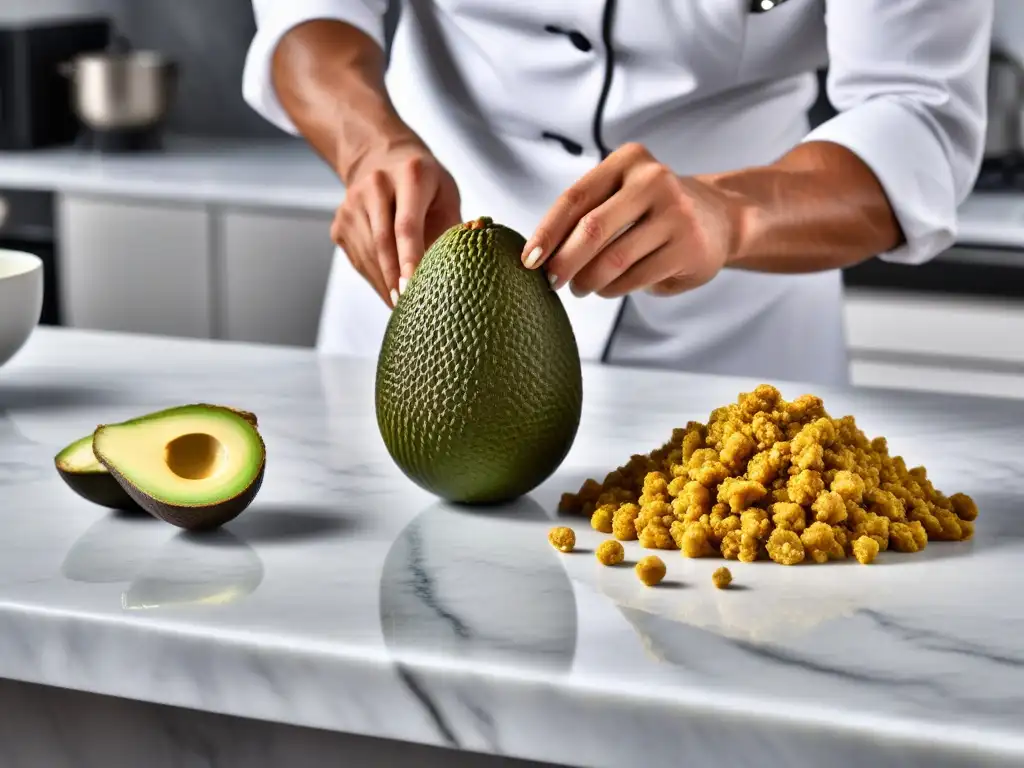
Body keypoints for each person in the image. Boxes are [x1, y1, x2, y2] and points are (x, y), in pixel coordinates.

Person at [243, 1, 992, 387]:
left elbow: (918, 115)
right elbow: (310, 15)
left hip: (729, 352)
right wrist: (369, 142)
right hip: (415, 325)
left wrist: (730, 213)